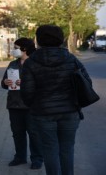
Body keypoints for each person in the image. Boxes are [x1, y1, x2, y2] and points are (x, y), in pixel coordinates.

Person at [20, 25, 90, 175]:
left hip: (43, 114)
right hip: (70, 111)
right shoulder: (71, 59)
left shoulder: (30, 63)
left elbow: (26, 92)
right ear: (60, 39)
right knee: (67, 148)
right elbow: (86, 83)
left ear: (38, 40)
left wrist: (35, 107)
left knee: (49, 149)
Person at [1, 38, 43, 169]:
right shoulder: (12, 64)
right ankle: (20, 157)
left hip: (32, 105)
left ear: (24, 49)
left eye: (16, 47)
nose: (13, 50)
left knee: (34, 133)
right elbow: (3, 83)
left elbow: (43, 84)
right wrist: (5, 82)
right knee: (17, 133)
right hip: (14, 104)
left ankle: (37, 159)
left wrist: (27, 83)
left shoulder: (36, 64)